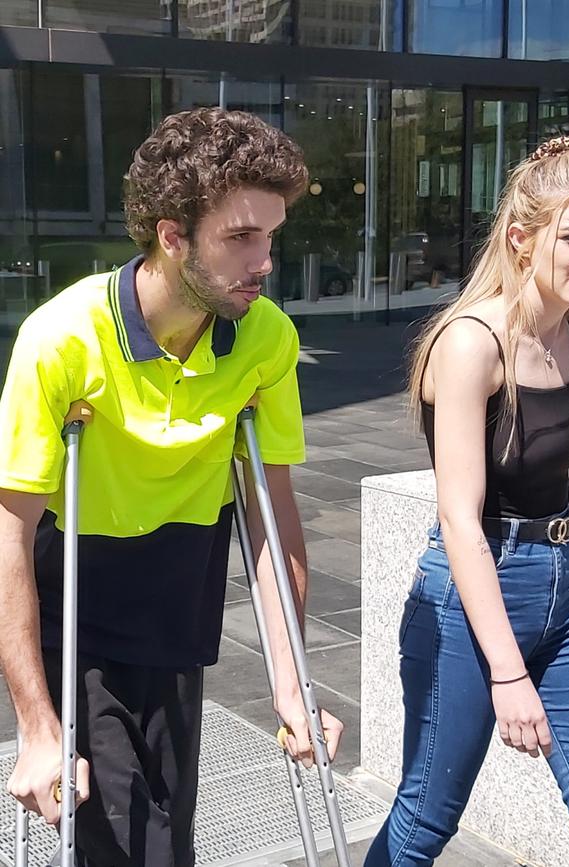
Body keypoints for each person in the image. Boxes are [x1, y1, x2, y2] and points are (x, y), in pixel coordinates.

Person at [0, 107, 343, 867]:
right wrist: (35, 726)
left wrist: (291, 683)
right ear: (171, 234)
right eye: (240, 237)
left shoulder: (266, 338)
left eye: (271, 237)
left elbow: (269, 515)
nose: (264, 262)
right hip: (79, 617)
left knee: (169, 835)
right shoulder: (60, 340)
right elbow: (9, 533)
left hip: (180, 615)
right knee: (128, 846)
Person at [365, 136, 569, 867]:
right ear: (523, 239)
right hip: (473, 597)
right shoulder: (471, 343)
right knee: (427, 818)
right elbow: (459, 517)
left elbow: (561, 468)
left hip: (560, 596)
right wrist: (509, 672)